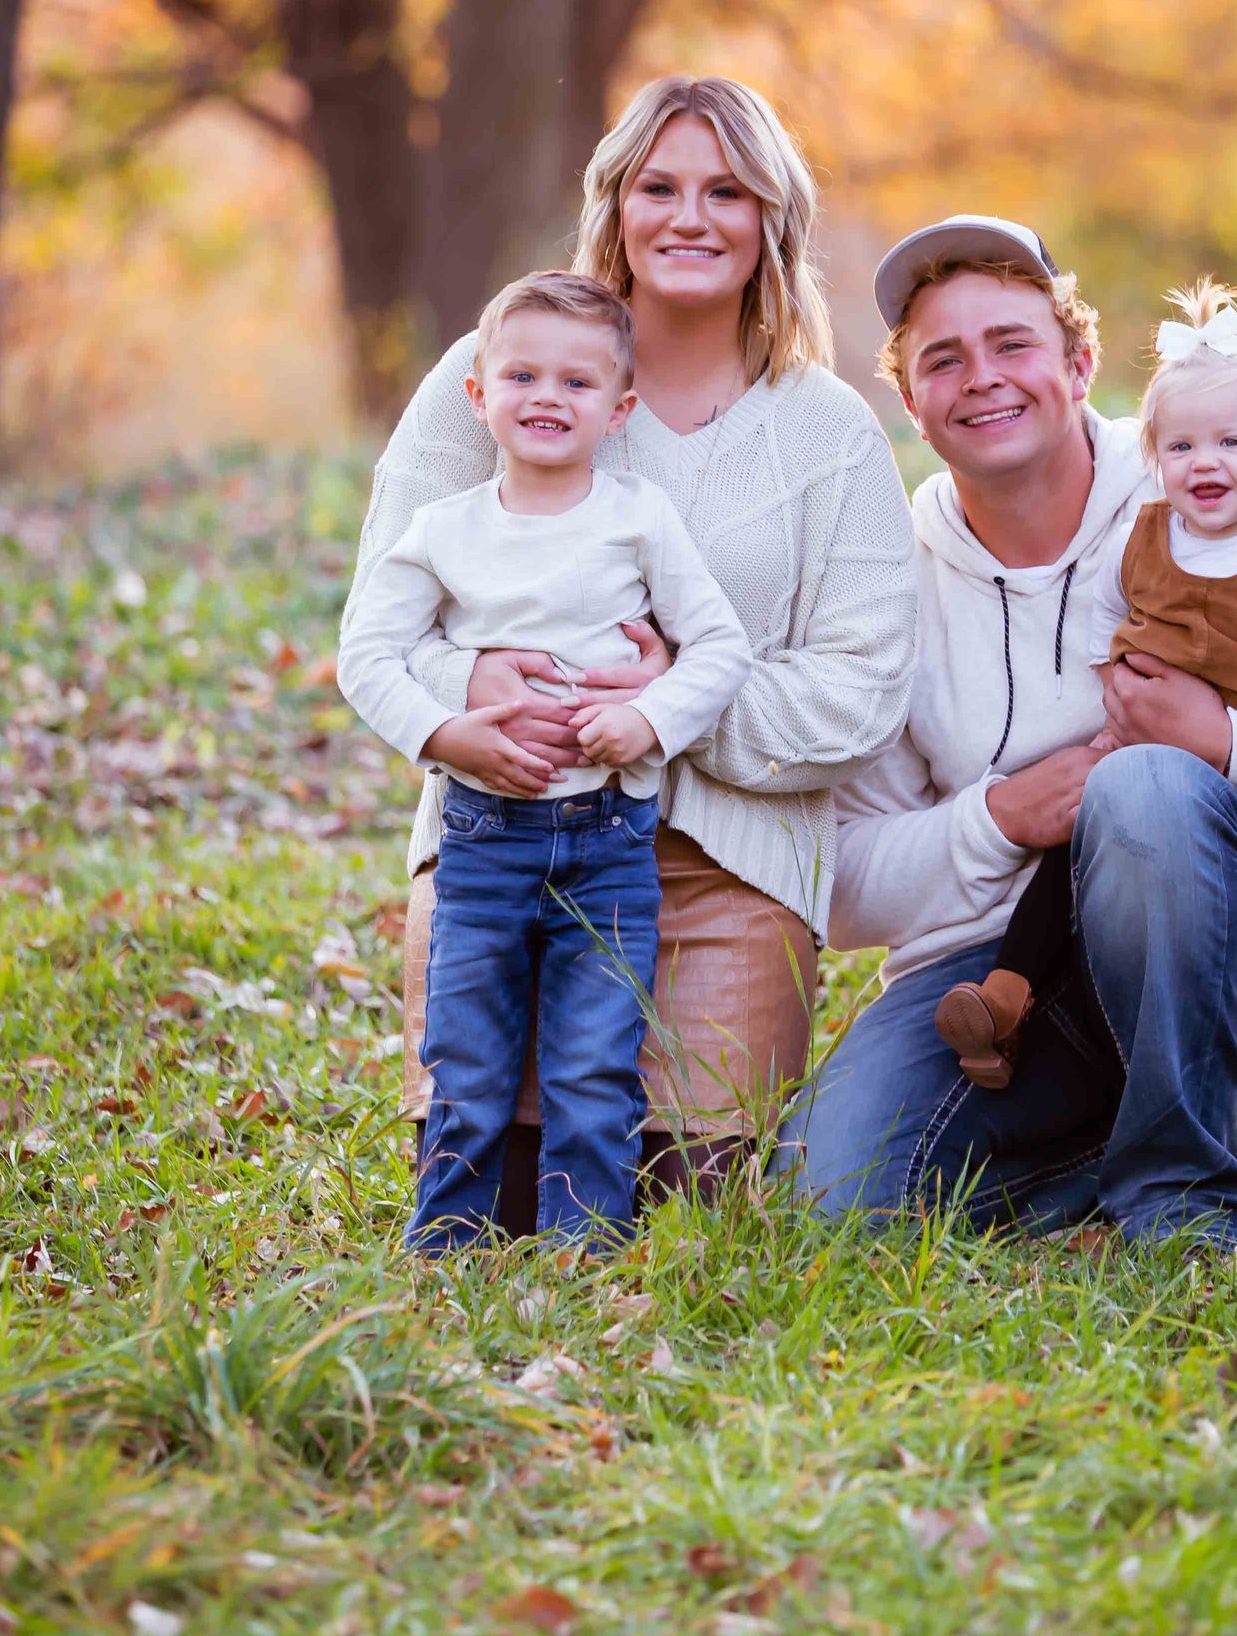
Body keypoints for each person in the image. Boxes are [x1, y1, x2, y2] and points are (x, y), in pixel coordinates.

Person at [782, 217, 1237, 1251]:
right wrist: (1000, 817)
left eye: (1013, 343)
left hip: (1219, 938)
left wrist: (1228, 741)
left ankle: (1183, 1203)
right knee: (831, 1201)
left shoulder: (1198, 497)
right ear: (910, 400)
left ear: (1080, 361)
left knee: (1142, 787)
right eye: (943, 359)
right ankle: (1098, 1157)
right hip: (991, 982)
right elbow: (845, 884)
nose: (983, 379)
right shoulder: (886, 570)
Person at [342, 77, 917, 1231]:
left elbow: (862, 694)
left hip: (726, 865)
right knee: (488, 1197)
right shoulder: (502, 369)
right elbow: (384, 622)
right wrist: (479, 690)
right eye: (660, 186)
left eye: (727, 190)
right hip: (502, 834)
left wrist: (670, 704)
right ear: (616, 202)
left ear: (772, 219)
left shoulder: (828, 431)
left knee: (674, 1208)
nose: (690, 216)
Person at [339, 271, 750, 1248]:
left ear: (620, 410)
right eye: (521, 374)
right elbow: (366, 654)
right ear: (479, 396)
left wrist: (649, 719)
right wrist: (446, 733)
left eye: (577, 381)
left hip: (609, 843)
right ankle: (447, 1244)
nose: (547, 397)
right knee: (468, 1059)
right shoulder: (446, 532)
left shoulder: (639, 517)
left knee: (594, 1062)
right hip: (482, 841)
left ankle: (582, 1250)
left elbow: (719, 649)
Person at [933, 273, 1237, 1088]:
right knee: (1078, 845)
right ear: (1156, 454)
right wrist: (1113, 695)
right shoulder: (1143, 535)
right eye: (1180, 447)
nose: (1203, 463)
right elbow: (1111, 612)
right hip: (1126, 807)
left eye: (1230, 444)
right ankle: (1003, 1000)